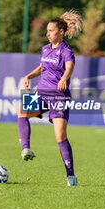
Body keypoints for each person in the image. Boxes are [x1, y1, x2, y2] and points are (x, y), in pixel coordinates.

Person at [17, 10, 82, 186]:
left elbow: (69, 67)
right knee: (22, 111)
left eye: (51, 30)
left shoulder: (66, 50)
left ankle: (70, 175)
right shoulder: (45, 49)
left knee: (60, 136)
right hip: (42, 92)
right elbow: (41, 68)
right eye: (47, 31)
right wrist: (29, 76)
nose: (47, 34)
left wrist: (63, 78)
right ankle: (26, 150)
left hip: (59, 96)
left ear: (61, 31)